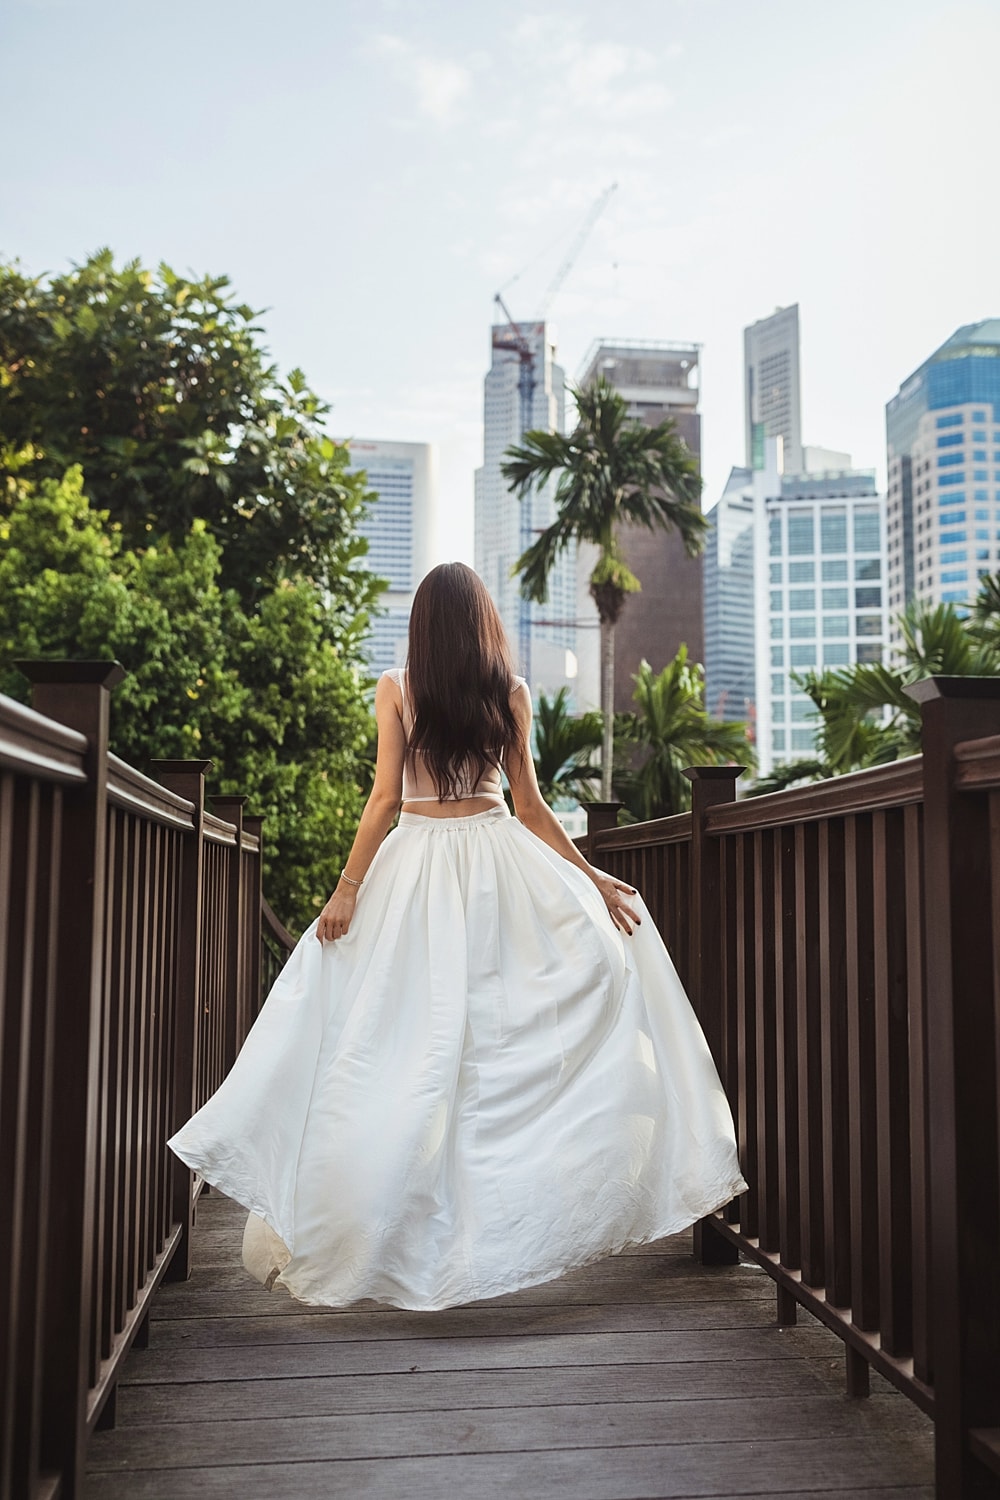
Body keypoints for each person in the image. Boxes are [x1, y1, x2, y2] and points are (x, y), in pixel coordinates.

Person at [169, 562, 746, 1310]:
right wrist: (592, 879)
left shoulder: (397, 688)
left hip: (414, 868)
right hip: (497, 865)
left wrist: (345, 892)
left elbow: (383, 800)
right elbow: (532, 808)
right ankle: (487, 1217)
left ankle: (399, 1220)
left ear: (422, 625)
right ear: (482, 623)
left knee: (395, 1039)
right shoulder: (507, 692)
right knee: (493, 1047)